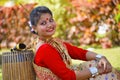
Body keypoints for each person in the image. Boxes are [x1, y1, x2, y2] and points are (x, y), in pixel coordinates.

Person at [29, 6, 119, 80]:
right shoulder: (45, 49)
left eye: (51, 20)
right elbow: (68, 76)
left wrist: (101, 57)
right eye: (43, 23)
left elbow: (80, 53)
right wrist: (97, 70)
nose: (49, 25)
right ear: (34, 28)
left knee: (96, 63)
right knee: (103, 73)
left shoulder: (53, 42)